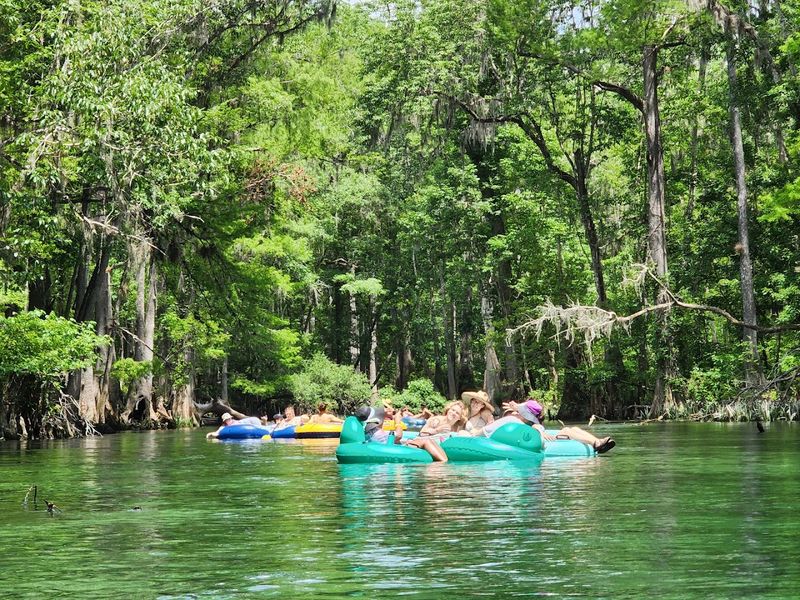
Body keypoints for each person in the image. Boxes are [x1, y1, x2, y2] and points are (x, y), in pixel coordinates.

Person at [485, 399, 616, 454]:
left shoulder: (530, 423)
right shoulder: (513, 423)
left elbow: (536, 425)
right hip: (539, 441)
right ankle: (596, 443)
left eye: (516, 413)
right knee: (566, 430)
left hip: (544, 437)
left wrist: (517, 407)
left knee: (572, 429)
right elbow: (536, 428)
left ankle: (596, 442)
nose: (514, 414)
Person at [403, 400, 467, 462]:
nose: (453, 413)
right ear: (448, 410)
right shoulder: (437, 420)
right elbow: (421, 434)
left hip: (436, 448)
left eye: (457, 413)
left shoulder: (457, 428)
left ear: (459, 417)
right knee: (444, 460)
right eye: (453, 410)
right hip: (421, 443)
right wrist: (437, 430)